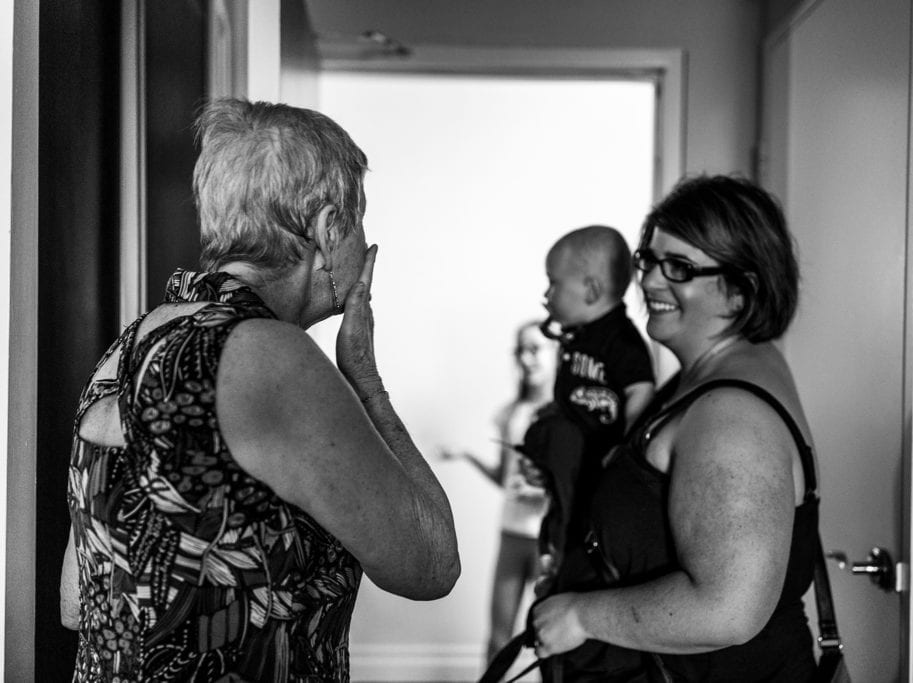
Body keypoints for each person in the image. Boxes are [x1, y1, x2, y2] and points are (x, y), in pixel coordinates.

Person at [59, 99, 460, 682]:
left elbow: (78, 601)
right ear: (328, 227)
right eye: (360, 220)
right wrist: (366, 382)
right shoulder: (271, 357)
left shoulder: (130, 347)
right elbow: (431, 563)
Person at [530, 175, 820, 681]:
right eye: (650, 259)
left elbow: (727, 608)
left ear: (741, 290)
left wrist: (581, 615)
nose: (649, 282)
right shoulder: (708, 376)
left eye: (680, 267)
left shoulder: (733, 417)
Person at [527, 225, 655, 591]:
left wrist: (625, 448)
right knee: (560, 520)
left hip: (599, 470)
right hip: (569, 468)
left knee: (581, 532)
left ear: (592, 290)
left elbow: (641, 390)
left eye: (554, 283)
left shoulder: (622, 340)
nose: (547, 294)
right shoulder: (575, 337)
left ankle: (565, 569)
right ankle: (554, 559)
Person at [442, 320, 559, 664]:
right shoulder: (511, 414)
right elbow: (504, 480)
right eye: (521, 349)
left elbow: (573, 485)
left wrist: (545, 496)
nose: (527, 358)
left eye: (535, 348)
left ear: (556, 353)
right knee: (498, 636)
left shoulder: (563, 417)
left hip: (548, 541)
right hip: (510, 536)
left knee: (549, 638)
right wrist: (466, 454)